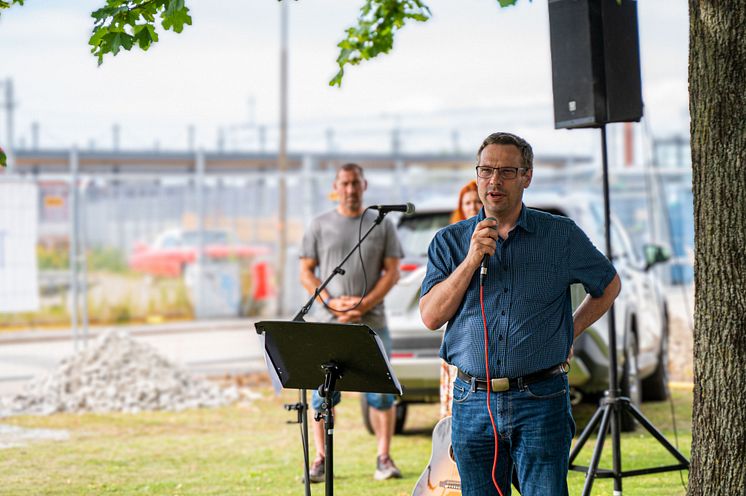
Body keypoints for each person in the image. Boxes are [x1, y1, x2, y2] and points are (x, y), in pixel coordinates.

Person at [419, 132, 621, 496]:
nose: (494, 181)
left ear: (527, 176)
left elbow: (608, 285)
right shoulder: (449, 241)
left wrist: (568, 331)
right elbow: (431, 317)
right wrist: (470, 260)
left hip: (540, 399)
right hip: (472, 402)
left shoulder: (560, 236)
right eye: (486, 170)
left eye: (507, 171)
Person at [299, 163, 405, 483]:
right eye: (344, 183)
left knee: (381, 394)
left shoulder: (381, 224)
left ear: (365, 185)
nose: (350, 189)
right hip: (328, 324)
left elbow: (392, 271)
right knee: (322, 395)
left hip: (372, 324)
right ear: (336, 186)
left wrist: (363, 305)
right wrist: (330, 302)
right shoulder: (319, 225)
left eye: (355, 183)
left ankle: (384, 459)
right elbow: (306, 271)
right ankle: (321, 459)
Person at [440, 180, 482, 418]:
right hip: (457, 324)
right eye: (467, 202)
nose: (472, 206)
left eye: (476, 201)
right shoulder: (451, 240)